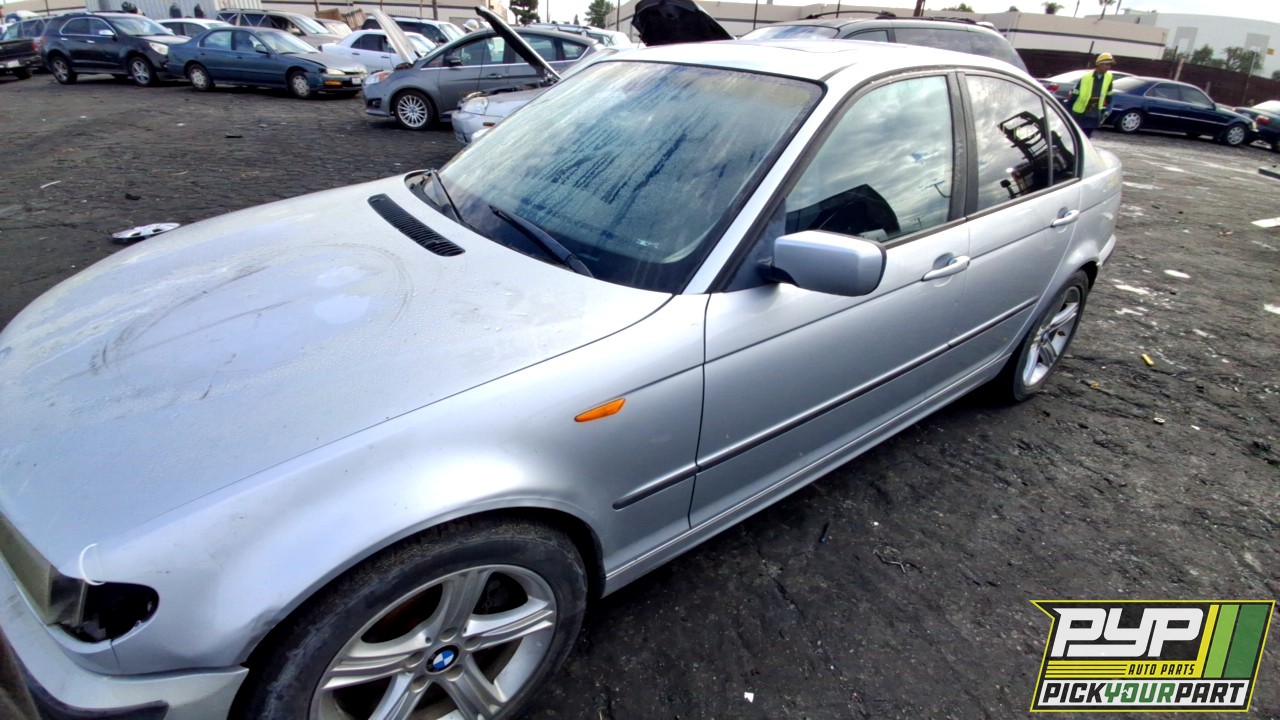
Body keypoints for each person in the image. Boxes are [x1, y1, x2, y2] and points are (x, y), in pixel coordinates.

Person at [1068, 52, 1116, 138]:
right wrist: (1068, 108)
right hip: (1081, 111)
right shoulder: (1087, 77)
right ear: (1099, 64)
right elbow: (1076, 92)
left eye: (1110, 65)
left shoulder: (1109, 76)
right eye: (1106, 64)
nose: (1108, 67)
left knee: (1087, 136)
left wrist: (1108, 105)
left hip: (1095, 111)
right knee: (1076, 135)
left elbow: (1109, 92)